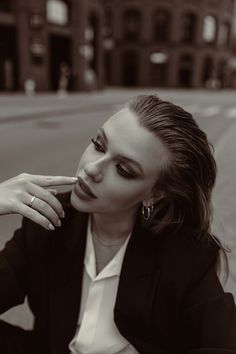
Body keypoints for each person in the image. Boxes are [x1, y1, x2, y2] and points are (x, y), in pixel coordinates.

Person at [0, 94, 236, 354]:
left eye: (123, 170)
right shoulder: (50, 219)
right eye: (98, 145)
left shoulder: (185, 254)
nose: (91, 168)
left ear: (154, 194)